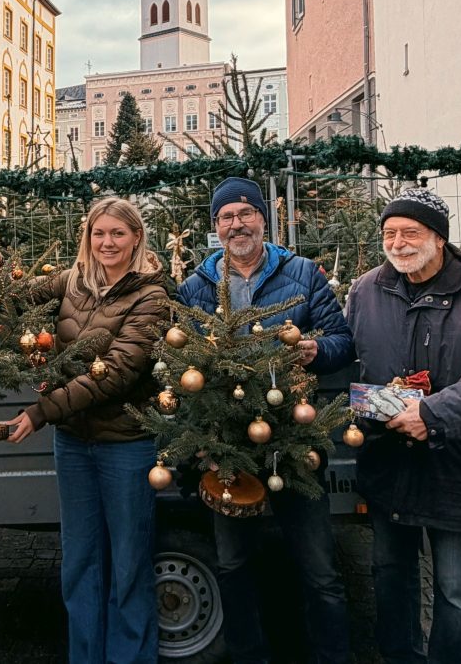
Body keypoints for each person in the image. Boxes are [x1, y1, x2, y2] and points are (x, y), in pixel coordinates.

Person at [0, 197, 169, 663]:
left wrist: (41, 412)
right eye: (99, 233)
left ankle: (130, 657)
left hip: (125, 445)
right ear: (88, 236)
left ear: (136, 238)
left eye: (118, 234)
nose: (107, 242)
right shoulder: (71, 282)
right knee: (80, 560)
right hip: (75, 444)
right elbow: (8, 298)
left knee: (127, 563)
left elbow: (118, 372)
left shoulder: (152, 298)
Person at [176, 176, 354, 664]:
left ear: (262, 219)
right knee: (233, 565)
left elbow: (342, 339)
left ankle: (331, 656)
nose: (237, 224)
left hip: (295, 441)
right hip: (228, 445)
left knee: (319, 569)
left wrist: (317, 350)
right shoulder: (195, 287)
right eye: (226, 217)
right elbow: (178, 361)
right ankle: (248, 655)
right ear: (216, 227)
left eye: (245, 214)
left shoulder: (302, 274)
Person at [346, 189, 461, 664]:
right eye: (390, 233)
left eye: (411, 232)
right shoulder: (366, 290)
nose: (399, 243)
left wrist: (433, 414)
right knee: (390, 573)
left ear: (438, 238)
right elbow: (349, 357)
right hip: (389, 464)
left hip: (454, 466)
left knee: (455, 591)